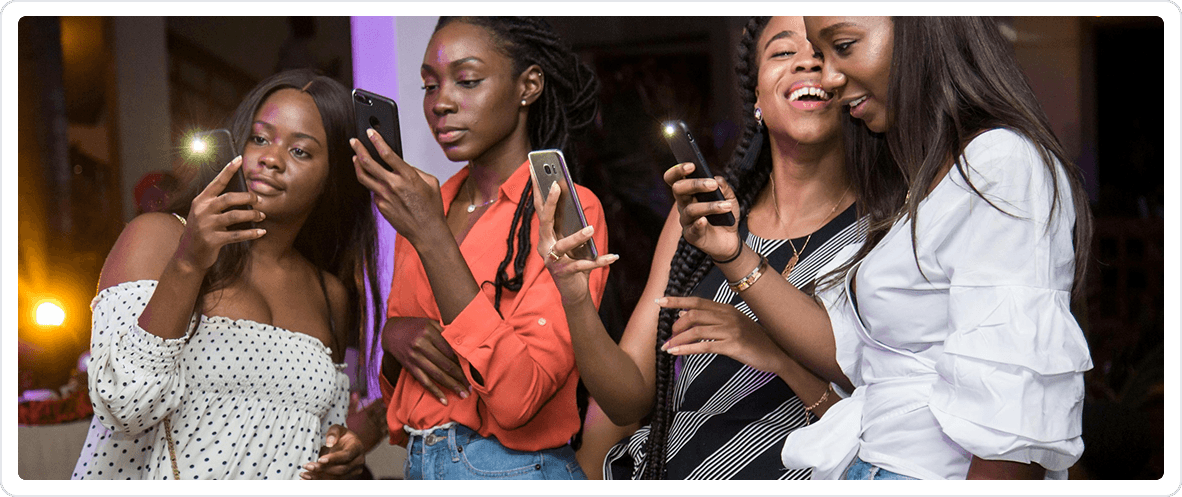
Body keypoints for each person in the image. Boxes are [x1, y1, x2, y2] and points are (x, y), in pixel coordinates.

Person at [535, 16, 892, 480]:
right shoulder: (702, 215)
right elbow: (627, 399)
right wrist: (575, 298)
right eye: (783, 52)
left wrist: (775, 353)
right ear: (757, 95)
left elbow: (884, 402)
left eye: (823, 53)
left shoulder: (887, 225)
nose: (806, 62)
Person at [774, 16, 1095, 480]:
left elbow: (1013, 420)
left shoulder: (1000, 162)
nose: (827, 77)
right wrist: (733, 257)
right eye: (821, 56)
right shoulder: (926, 179)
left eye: (842, 46)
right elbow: (861, 356)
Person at [72, 69, 379, 480]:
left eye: (300, 151)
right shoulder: (159, 238)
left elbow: (320, 438)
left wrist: (341, 452)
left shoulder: (329, 294)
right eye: (260, 138)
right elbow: (122, 406)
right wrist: (188, 263)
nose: (270, 159)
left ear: (333, 176)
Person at [351, 16, 607, 480]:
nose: (441, 103)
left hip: (514, 470)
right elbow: (410, 391)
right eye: (430, 86)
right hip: (420, 461)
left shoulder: (566, 209)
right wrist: (393, 339)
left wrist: (431, 235)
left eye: (467, 81)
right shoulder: (430, 203)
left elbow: (519, 398)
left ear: (528, 86)